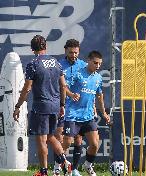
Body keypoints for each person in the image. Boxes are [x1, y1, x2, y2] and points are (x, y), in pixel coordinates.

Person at [13, 35, 72, 176]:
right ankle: (65, 161)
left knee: (41, 139)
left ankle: (43, 172)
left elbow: (27, 89)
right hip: (56, 106)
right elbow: (63, 86)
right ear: (45, 47)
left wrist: (17, 106)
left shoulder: (33, 64)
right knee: (51, 136)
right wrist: (62, 105)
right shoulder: (56, 63)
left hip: (41, 106)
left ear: (32, 49)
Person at [62, 50, 110, 176]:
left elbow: (99, 96)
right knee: (67, 142)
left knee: (94, 144)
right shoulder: (78, 74)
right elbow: (64, 87)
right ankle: (59, 167)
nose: (98, 66)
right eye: (95, 63)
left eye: (99, 64)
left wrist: (104, 113)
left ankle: (88, 165)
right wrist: (72, 94)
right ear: (89, 61)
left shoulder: (98, 78)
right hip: (73, 114)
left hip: (88, 116)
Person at [53, 39, 87, 176]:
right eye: (71, 52)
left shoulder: (83, 65)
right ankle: (57, 166)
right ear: (65, 50)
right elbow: (61, 86)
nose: (73, 55)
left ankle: (74, 169)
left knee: (78, 139)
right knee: (61, 139)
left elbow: (87, 86)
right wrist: (71, 94)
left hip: (78, 109)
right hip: (62, 106)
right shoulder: (59, 65)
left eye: (76, 52)